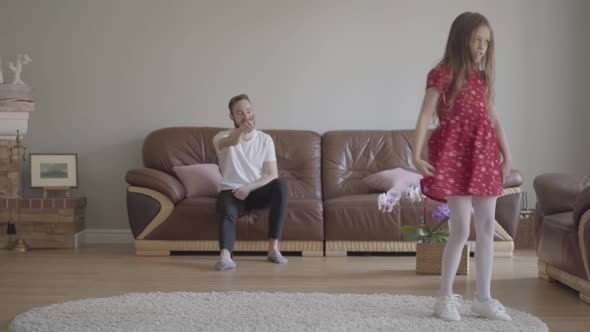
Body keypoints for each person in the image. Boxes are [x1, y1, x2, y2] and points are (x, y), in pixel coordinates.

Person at [412, 12, 513, 321]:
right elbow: (425, 114)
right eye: (476, 40)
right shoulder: (441, 74)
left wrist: (506, 155)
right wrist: (416, 155)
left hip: (484, 158)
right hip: (455, 158)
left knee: (485, 227)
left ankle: (483, 297)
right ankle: (444, 297)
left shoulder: (482, 79)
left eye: (486, 42)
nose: (482, 47)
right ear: (461, 38)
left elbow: (494, 120)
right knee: (460, 229)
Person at [212, 93, 289, 271]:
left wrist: (249, 187)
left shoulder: (265, 139)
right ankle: (225, 256)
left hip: (256, 191)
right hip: (231, 192)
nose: (246, 116)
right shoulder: (220, 137)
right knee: (227, 209)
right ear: (232, 116)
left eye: (249, 111)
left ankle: (273, 248)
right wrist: (240, 131)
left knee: (281, 184)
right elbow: (231, 142)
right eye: (240, 113)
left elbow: (272, 174)